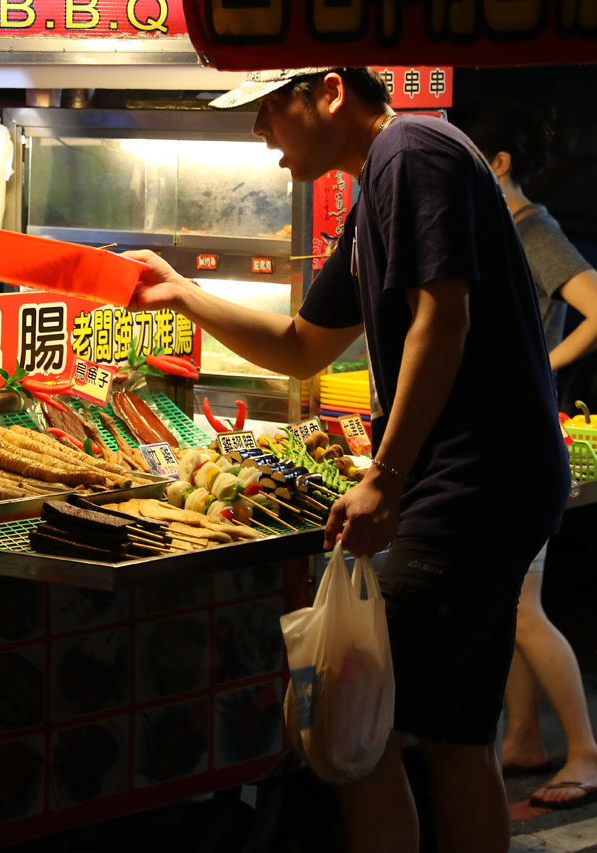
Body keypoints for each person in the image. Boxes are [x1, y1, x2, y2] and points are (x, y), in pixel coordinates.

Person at [126, 68, 569, 852]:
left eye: (269, 108)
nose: (259, 130)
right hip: (493, 483)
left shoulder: (411, 150)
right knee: (456, 736)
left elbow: (444, 317)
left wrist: (385, 476)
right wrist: (183, 292)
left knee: (350, 729)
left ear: (329, 91)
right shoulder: (378, 192)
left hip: (469, 484)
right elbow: (301, 347)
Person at [459, 101, 597, 809]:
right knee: (504, 601)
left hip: (522, 439)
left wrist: (543, 369)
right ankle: (522, 739)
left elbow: (596, 306)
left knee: (523, 605)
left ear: (500, 163)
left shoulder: (534, 228)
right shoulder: (492, 226)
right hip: (496, 432)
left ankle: (586, 752)